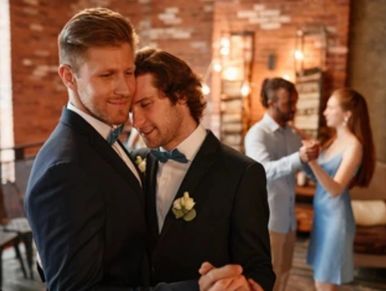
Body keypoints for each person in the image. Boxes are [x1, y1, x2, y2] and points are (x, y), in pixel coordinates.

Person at [24, 8, 198, 291]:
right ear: (69, 77)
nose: (124, 89)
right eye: (106, 75)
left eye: (128, 72)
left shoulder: (102, 133)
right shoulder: (66, 170)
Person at [131, 47, 275, 291]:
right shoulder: (132, 163)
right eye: (130, 110)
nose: (136, 122)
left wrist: (246, 286)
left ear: (181, 96)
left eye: (146, 104)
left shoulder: (242, 174)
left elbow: (259, 269)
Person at [244, 77, 319, 291]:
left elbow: (303, 166)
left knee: (285, 272)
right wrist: (299, 157)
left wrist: (313, 157)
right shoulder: (257, 134)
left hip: (288, 219)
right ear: (271, 102)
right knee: (268, 277)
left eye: (295, 102)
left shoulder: (292, 135)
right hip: (269, 219)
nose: (294, 109)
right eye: (289, 103)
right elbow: (262, 171)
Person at [305, 88, 375, 291]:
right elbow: (320, 177)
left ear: (347, 114)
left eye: (330, 107)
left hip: (336, 220)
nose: (325, 112)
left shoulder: (354, 146)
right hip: (322, 216)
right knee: (321, 280)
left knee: (324, 282)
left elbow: (335, 189)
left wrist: (312, 162)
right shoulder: (334, 140)